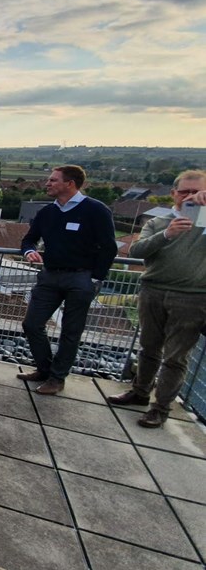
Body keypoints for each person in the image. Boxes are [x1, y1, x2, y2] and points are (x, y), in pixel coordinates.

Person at [106, 171, 206, 427]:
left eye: (196, 191)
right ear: (173, 194)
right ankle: (140, 392)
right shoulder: (158, 222)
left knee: (175, 357)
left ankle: (160, 409)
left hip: (192, 298)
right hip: (152, 291)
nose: (190, 196)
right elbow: (137, 250)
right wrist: (166, 234)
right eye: (184, 191)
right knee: (148, 347)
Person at [18, 165, 118, 395]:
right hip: (50, 275)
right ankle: (45, 369)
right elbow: (29, 239)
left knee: (70, 332)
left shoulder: (96, 210)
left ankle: (57, 378)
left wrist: (95, 278)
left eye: (53, 180)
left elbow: (109, 247)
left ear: (70, 183)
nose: (47, 183)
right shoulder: (47, 212)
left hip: (81, 278)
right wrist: (29, 251)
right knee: (31, 324)